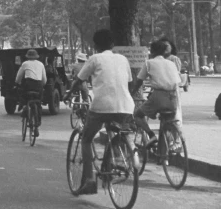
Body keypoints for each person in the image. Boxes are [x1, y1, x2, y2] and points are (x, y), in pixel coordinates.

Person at [66, 29, 135, 196]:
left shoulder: (94, 59)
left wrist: (68, 94)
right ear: (113, 44)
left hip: (101, 107)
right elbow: (130, 83)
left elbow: (78, 81)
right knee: (116, 132)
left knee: (86, 138)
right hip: (125, 106)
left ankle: (89, 179)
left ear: (95, 45)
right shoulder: (123, 59)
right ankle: (114, 163)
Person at [132, 39, 182, 146]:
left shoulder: (149, 63)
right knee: (168, 121)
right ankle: (168, 149)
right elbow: (177, 81)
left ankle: (151, 136)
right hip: (173, 97)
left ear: (152, 51)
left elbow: (139, 81)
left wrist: (131, 94)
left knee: (138, 115)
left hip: (158, 96)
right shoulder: (171, 63)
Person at [15, 49, 47, 135]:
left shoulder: (25, 64)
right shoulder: (41, 64)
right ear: (36, 57)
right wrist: (42, 86)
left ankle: (23, 106)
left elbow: (18, 78)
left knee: (22, 93)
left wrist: (18, 83)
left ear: (27, 57)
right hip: (39, 86)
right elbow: (44, 80)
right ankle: (37, 124)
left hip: (28, 85)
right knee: (38, 103)